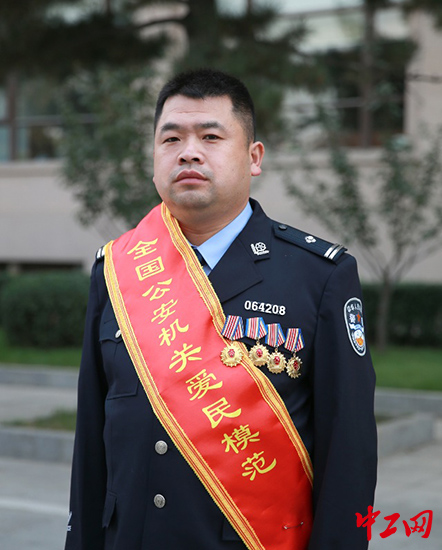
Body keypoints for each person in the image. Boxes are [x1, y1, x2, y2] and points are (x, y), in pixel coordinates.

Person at [65, 69, 377, 550]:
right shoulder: (116, 271)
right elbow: (91, 440)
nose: (188, 152)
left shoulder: (319, 276)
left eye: (210, 136)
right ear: (154, 159)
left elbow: (348, 454)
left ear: (254, 158)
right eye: (171, 138)